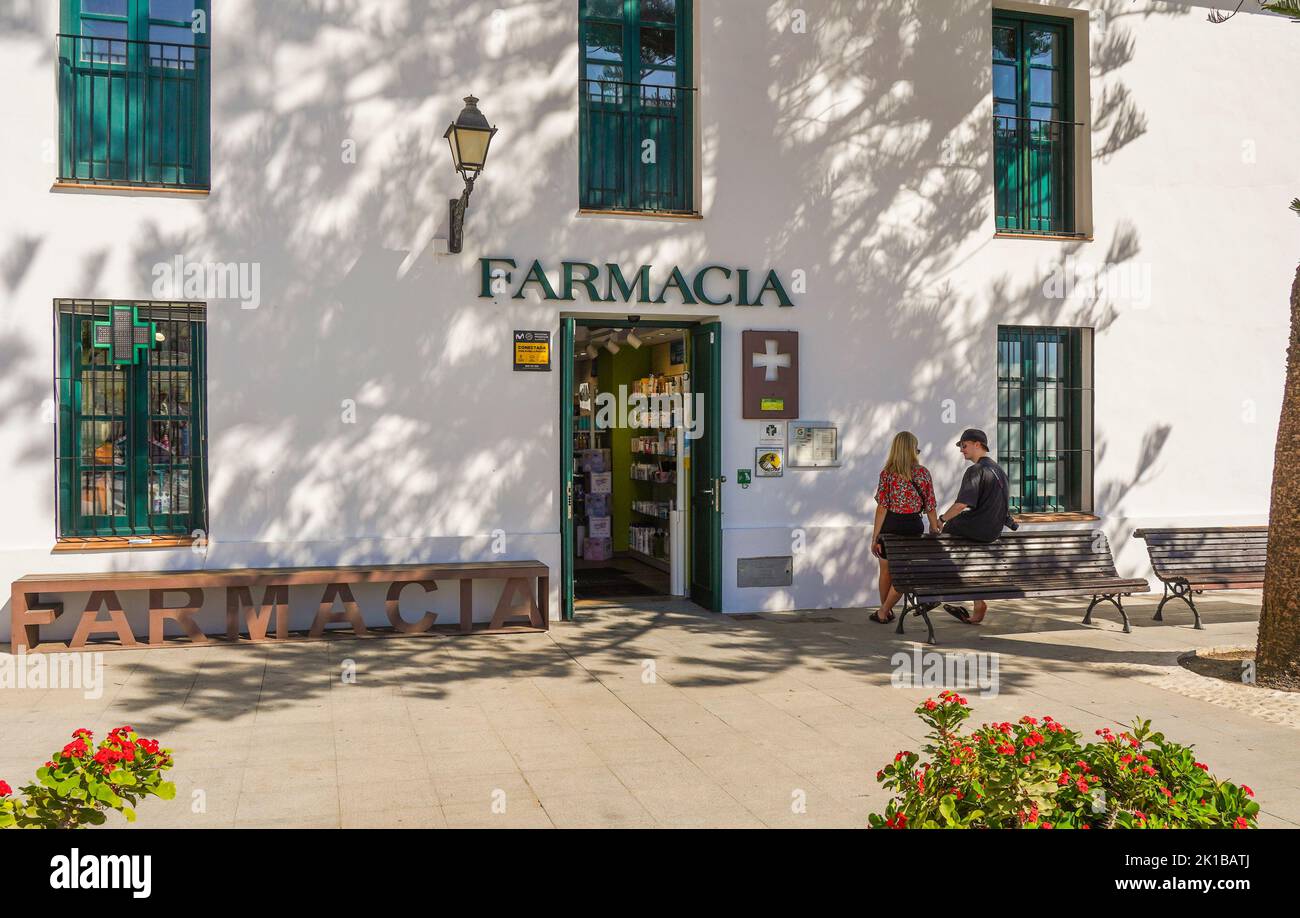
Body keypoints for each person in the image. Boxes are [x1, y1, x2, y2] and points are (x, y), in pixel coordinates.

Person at [936, 427, 1017, 624]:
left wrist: (941, 520)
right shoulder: (999, 470)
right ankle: (978, 602)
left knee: (942, 537)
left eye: (964, 446)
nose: (961, 450)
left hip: (979, 527)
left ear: (977, 445)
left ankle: (934, 592)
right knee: (966, 557)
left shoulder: (976, 470)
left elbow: (961, 504)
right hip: (994, 530)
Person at [869, 431, 941, 624]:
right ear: (912, 450)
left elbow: (882, 507)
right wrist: (934, 527)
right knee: (905, 571)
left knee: (886, 571)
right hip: (913, 526)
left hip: (890, 526)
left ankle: (885, 611)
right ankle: (885, 610)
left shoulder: (887, 474)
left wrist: (875, 536)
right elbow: (930, 505)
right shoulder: (923, 473)